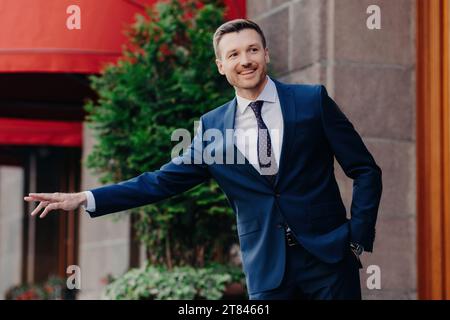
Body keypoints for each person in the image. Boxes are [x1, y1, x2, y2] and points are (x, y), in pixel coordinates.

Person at [24, 19, 382, 300]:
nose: (246, 61)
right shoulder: (213, 127)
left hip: (330, 260)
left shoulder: (310, 102)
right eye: (234, 55)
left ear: (266, 54)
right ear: (220, 65)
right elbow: (160, 182)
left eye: (252, 50)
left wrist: (357, 235)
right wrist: (86, 198)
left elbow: (365, 169)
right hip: (268, 270)